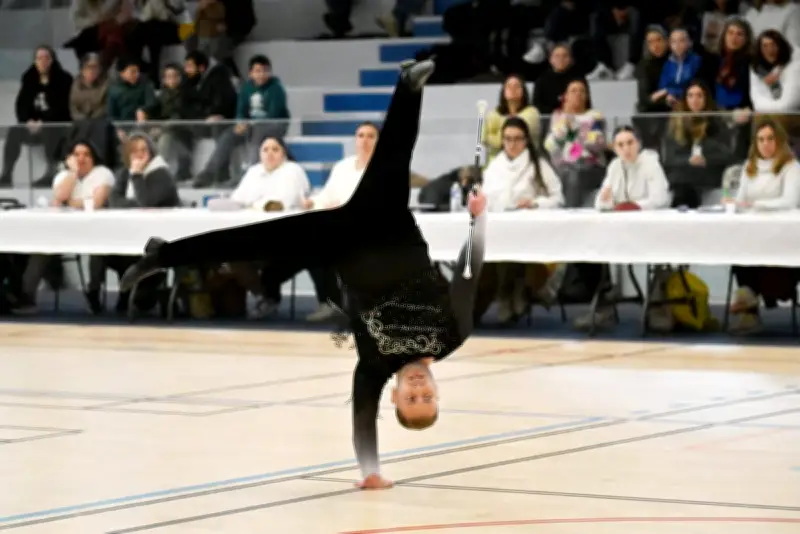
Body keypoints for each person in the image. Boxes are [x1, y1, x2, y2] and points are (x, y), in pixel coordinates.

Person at [119, 59, 488, 489]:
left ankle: (161, 256)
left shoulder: (375, 365)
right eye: (427, 397)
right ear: (439, 393)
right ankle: (409, 84)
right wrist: (478, 221)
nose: (419, 389)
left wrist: (370, 472)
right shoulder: (452, 333)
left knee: (251, 240)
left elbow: (361, 421)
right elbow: (468, 273)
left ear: (396, 396)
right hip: (388, 224)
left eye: (412, 399)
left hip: (340, 239)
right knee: (394, 155)